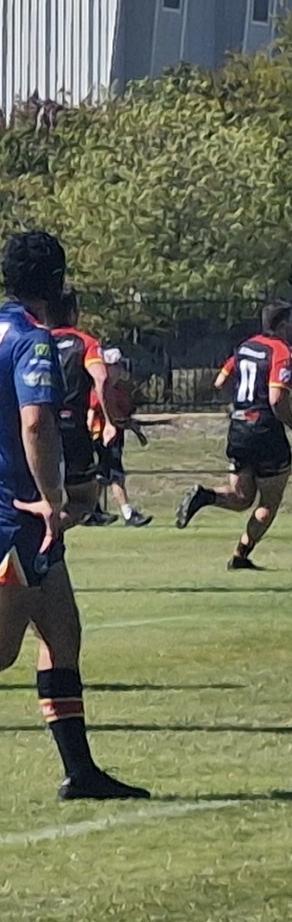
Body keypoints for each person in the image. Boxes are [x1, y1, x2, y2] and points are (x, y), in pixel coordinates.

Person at [0, 230, 147, 799]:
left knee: (63, 632)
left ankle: (80, 771)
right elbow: (37, 424)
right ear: (58, 282)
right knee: (2, 651)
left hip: (18, 514)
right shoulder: (32, 340)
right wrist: (53, 499)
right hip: (20, 516)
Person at [176, 302, 292, 570]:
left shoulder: (246, 346)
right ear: (283, 325)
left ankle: (205, 496)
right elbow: (276, 398)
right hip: (266, 431)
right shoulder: (280, 351)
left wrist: (238, 406)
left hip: (239, 429)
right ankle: (240, 556)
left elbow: (220, 382)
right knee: (269, 502)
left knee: (241, 498)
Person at [47, 290, 110, 527]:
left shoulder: (35, 340)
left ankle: (40, 536)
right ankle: (50, 533)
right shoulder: (85, 343)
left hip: (39, 425)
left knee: (39, 494)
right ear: (73, 312)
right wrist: (109, 421)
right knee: (84, 500)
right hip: (72, 427)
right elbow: (102, 378)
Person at [94, 348, 150, 526]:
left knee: (103, 474)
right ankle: (128, 514)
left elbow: (123, 416)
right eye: (115, 365)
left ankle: (93, 510)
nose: (119, 369)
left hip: (116, 435)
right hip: (104, 436)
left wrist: (135, 430)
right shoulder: (100, 390)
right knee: (115, 475)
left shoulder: (118, 390)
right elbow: (92, 413)